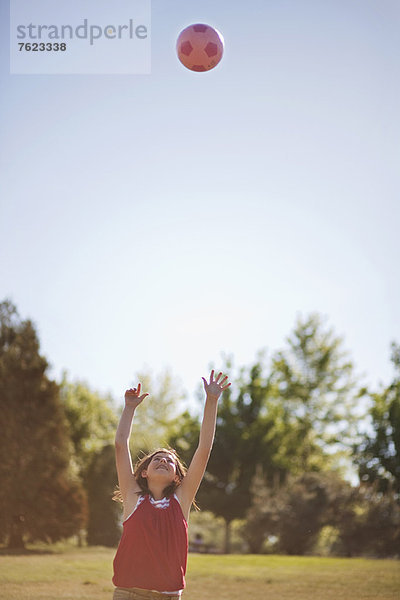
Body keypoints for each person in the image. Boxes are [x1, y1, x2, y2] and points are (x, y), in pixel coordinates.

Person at [112, 369, 231, 600]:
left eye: (170, 461)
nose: (164, 460)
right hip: (128, 593)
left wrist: (212, 401)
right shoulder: (132, 495)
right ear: (144, 472)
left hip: (168, 596)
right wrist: (128, 408)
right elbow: (120, 445)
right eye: (157, 458)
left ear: (177, 477)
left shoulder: (182, 498)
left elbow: (204, 448)